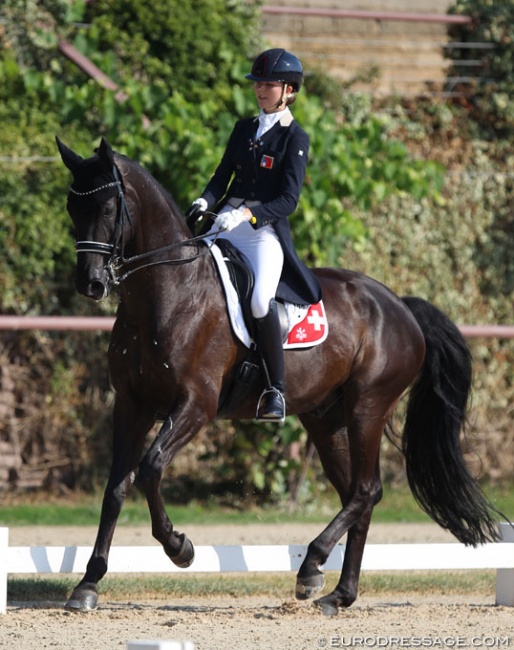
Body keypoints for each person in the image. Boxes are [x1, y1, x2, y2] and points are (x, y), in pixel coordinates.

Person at [186, 48, 322, 423]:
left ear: (289, 90)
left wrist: (248, 213)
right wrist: (205, 200)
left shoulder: (295, 137)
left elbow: (288, 200)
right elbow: (221, 176)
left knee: (261, 300)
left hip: (263, 233)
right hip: (225, 222)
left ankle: (274, 389)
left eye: (268, 84)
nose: (260, 90)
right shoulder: (243, 128)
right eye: (257, 84)